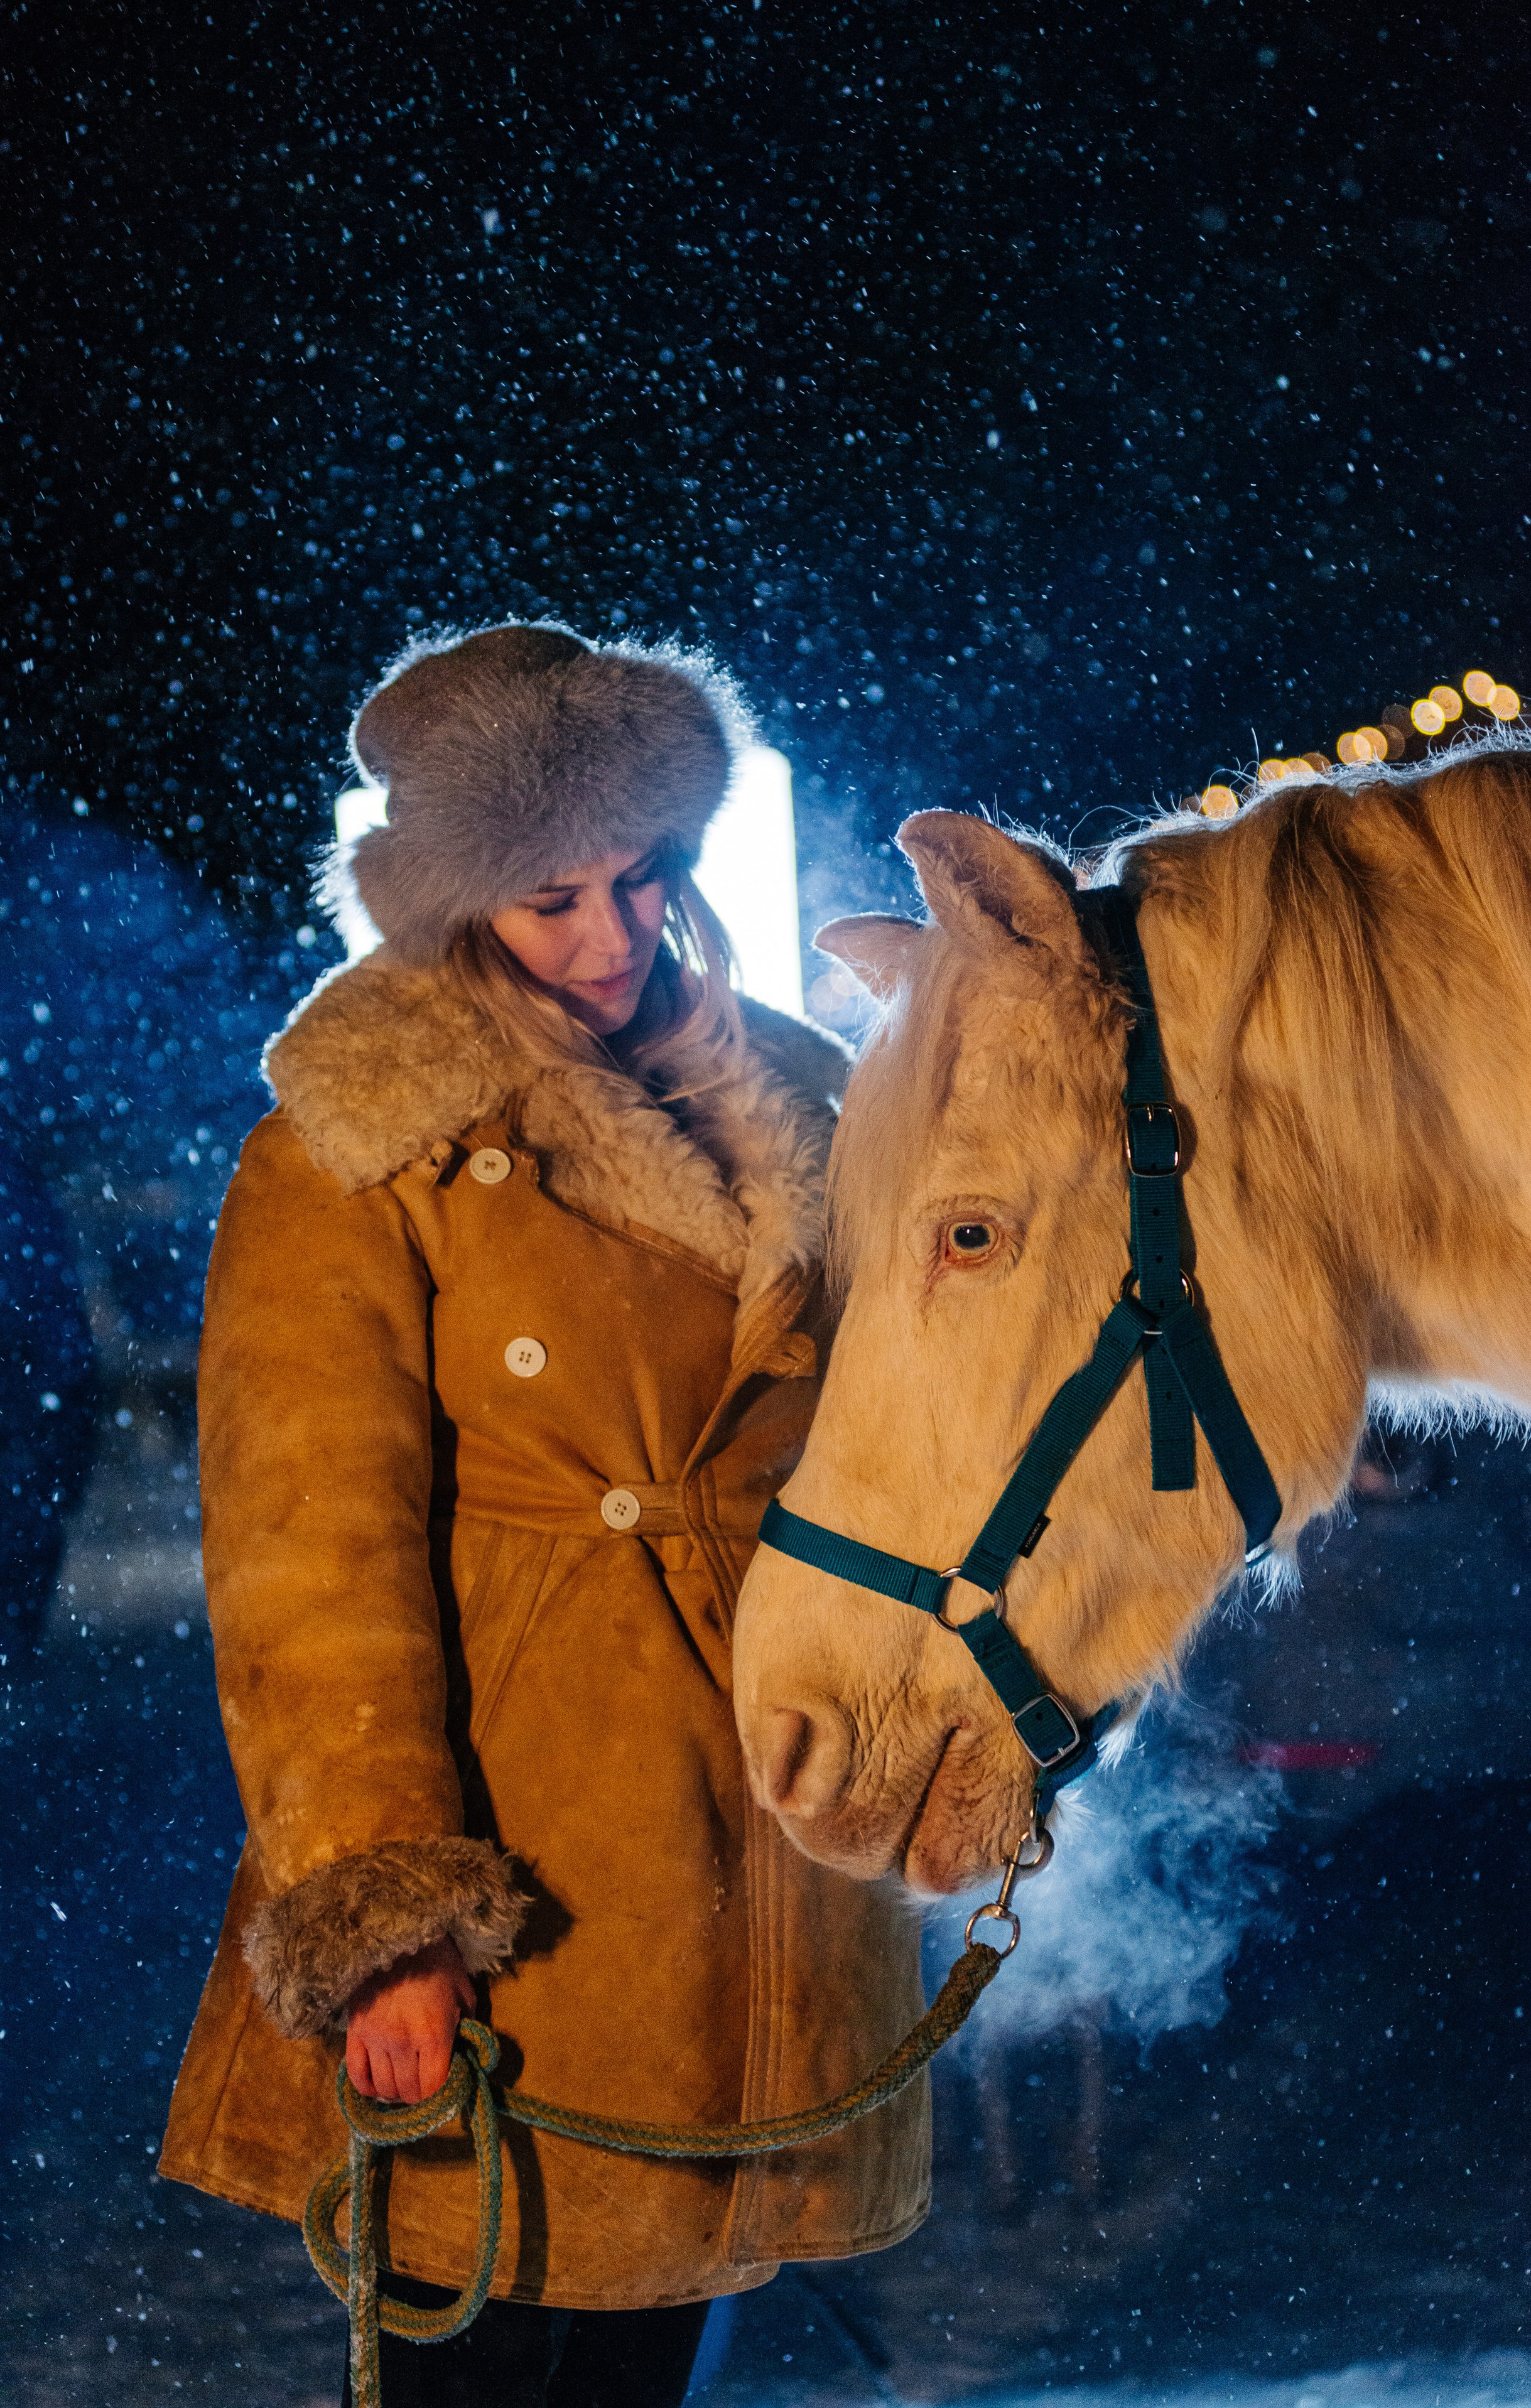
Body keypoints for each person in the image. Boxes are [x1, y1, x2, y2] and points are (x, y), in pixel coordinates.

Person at [158, 622, 929, 2408]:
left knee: (650, 2347)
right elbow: (309, 1565)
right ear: (453, 904)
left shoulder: (808, 1097)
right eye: (551, 896)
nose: (613, 936)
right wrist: (386, 1921)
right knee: (484, 2348)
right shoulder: (360, 1140)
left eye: (644, 874)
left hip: (759, 1831)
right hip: (525, 1848)